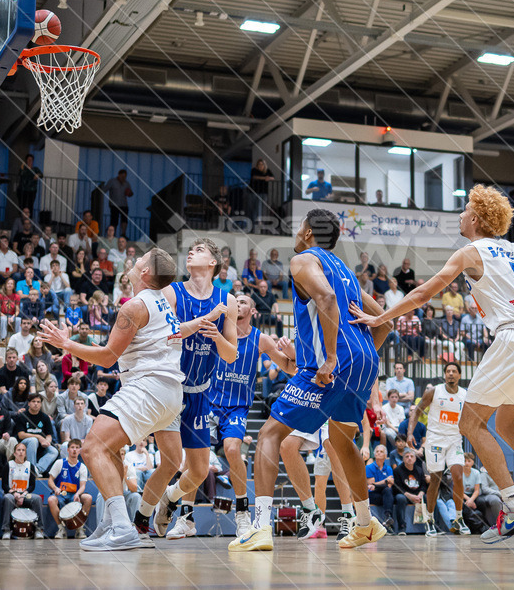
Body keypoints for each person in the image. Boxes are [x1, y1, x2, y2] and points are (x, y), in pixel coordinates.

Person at [350, 185, 514, 546]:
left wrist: (379, 317)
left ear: (475, 218)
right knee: (508, 426)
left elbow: (423, 294)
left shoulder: (470, 252)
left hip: (513, 338)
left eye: (464, 210)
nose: (460, 215)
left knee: (470, 424)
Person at [230, 208, 391, 552]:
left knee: (269, 434)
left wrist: (332, 358)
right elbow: (386, 322)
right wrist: (358, 357)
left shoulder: (302, 261)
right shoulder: (345, 271)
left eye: (299, 225)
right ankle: (365, 524)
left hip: (331, 364)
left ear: (307, 233)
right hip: (364, 362)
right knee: (342, 441)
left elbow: (326, 299)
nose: (296, 232)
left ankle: (260, 528)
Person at [34, 248, 188, 551]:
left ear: (145, 272)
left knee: (92, 448)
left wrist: (66, 343)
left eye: (141, 259)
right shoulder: (164, 300)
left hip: (148, 387)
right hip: (171, 393)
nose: (135, 261)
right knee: (116, 451)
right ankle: (109, 522)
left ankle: (122, 527)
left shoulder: (134, 307)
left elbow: (107, 358)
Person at [148, 239, 239, 541]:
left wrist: (216, 336)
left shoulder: (228, 301)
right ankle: (140, 519)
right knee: (171, 462)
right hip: (171, 387)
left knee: (199, 470)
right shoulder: (172, 292)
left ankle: (172, 500)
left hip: (200, 392)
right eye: (190, 249)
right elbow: (167, 334)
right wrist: (202, 322)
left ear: (214, 262)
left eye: (199, 250)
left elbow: (231, 355)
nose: (190, 252)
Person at [208, 293, 293, 538]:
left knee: (233, 449)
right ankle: (182, 510)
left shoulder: (260, 339)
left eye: (244, 301)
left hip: (237, 406)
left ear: (253, 311)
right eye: (235, 301)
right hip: (210, 402)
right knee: (197, 461)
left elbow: (289, 367)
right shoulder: (218, 330)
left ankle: (243, 511)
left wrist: (292, 352)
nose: (238, 303)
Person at [410, 362, 471, 536]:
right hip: (435, 439)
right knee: (435, 480)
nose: (451, 374)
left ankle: (458, 518)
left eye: (454, 371)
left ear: (459, 375)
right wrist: (410, 433)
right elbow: (417, 411)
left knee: (458, 476)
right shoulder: (434, 391)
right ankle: (429, 519)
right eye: (448, 371)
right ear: (444, 375)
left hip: (454, 439)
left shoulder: (465, 395)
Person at [46, 438, 93, 539]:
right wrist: (55, 488)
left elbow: (83, 486)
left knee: (88, 498)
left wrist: (78, 494)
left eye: (77, 448)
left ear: (80, 450)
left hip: (74, 494)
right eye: (72, 447)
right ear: (68, 450)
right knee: (51, 499)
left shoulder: (82, 467)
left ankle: (80, 528)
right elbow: (50, 480)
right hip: (60, 494)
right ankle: (61, 528)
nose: (74, 450)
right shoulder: (60, 463)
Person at [0, 441, 45, 539]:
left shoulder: (30, 466)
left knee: (37, 499)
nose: (21, 452)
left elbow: (32, 485)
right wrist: (14, 493)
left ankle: (39, 529)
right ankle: (6, 530)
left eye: (23, 450)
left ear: (25, 453)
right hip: (12, 494)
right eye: (19, 450)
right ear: (14, 453)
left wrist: (23, 495)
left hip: (25, 494)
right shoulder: (8, 465)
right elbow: (4, 485)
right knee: (8, 498)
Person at [13, 393, 59, 476]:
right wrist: (38, 437)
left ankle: (36, 469)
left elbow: (49, 435)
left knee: (54, 451)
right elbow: (21, 435)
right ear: (29, 403)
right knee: (33, 440)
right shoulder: (22, 416)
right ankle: (31, 469)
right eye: (33, 401)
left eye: (38, 402)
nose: (36, 404)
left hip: (40, 444)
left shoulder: (45, 417)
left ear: (41, 404)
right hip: (25, 444)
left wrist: (47, 441)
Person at [461, 453, 502, 530]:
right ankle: (480, 528)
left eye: (469, 461)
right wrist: (469, 500)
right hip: (462, 496)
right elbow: (459, 491)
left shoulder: (476, 473)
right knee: (465, 506)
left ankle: (487, 524)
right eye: (464, 461)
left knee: (482, 502)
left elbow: (477, 490)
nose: (466, 463)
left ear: (472, 462)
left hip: (473, 496)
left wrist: (471, 500)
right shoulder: (459, 473)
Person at [391, 447, 427, 532]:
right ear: (403, 459)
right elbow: (397, 488)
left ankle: (430, 525)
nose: (409, 458)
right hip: (404, 495)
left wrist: (420, 494)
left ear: (415, 459)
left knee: (429, 497)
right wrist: (410, 496)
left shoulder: (419, 470)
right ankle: (402, 527)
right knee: (400, 498)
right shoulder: (397, 470)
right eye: (407, 456)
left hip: (418, 495)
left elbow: (423, 485)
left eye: (411, 456)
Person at [102, 169, 134, 237]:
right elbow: (104, 189)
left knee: (124, 219)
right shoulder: (112, 181)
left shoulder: (127, 183)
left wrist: (129, 193)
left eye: (125, 176)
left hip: (124, 204)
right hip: (114, 204)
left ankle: (123, 234)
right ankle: (113, 235)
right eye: (122, 176)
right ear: (119, 175)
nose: (123, 178)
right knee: (114, 220)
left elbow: (131, 193)